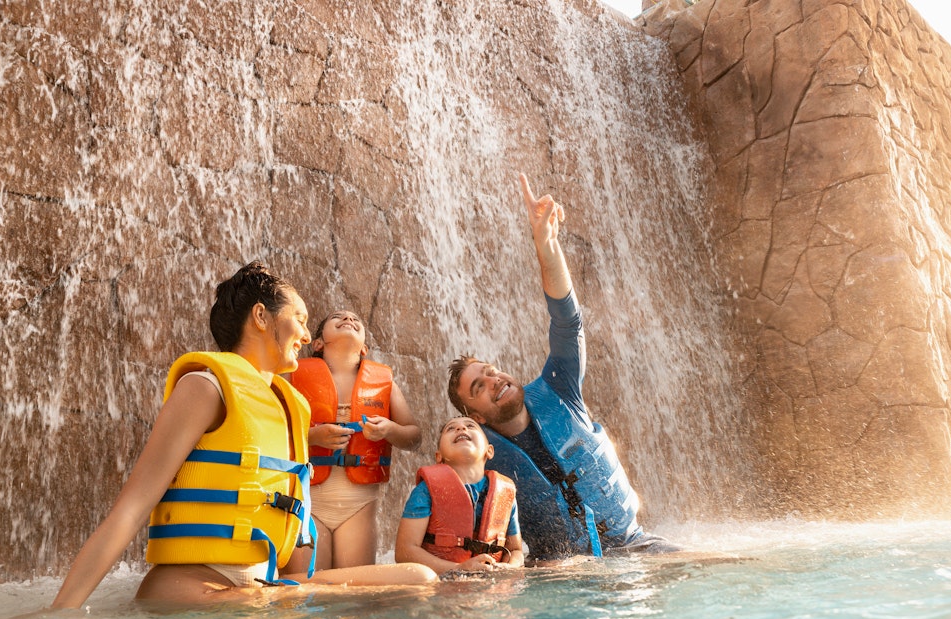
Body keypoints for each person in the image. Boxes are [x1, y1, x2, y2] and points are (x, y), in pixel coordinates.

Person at [51, 262, 436, 609]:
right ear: (260, 317)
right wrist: (57, 617)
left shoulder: (291, 407)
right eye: (299, 319)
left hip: (260, 588)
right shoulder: (205, 387)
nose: (305, 334)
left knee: (417, 579)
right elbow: (130, 510)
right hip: (197, 591)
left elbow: (292, 527)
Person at [446, 174, 683, 561]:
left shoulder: (560, 388)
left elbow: (567, 322)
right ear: (476, 416)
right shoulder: (482, 457)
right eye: (478, 387)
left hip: (636, 546)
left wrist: (547, 245)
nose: (493, 380)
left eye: (490, 371)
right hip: (560, 573)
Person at [282, 309, 421, 573]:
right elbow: (270, 425)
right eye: (338, 317)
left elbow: (414, 437)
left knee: (354, 597)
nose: (348, 319)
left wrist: (390, 429)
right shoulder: (294, 374)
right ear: (318, 343)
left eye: (355, 319)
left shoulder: (384, 383)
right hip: (307, 502)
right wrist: (310, 435)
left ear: (365, 348)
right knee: (306, 592)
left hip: (359, 507)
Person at [394, 416, 524, 574]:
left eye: (470, 426)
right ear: (438, 456)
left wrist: (511, 567)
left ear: (489, 451)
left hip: (492, 584)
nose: (461, 429)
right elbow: (404, 552)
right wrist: (458, 568)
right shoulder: (425, 491)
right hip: (442, 582)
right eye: (451, 428)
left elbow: (516, 550)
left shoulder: (505, 492)